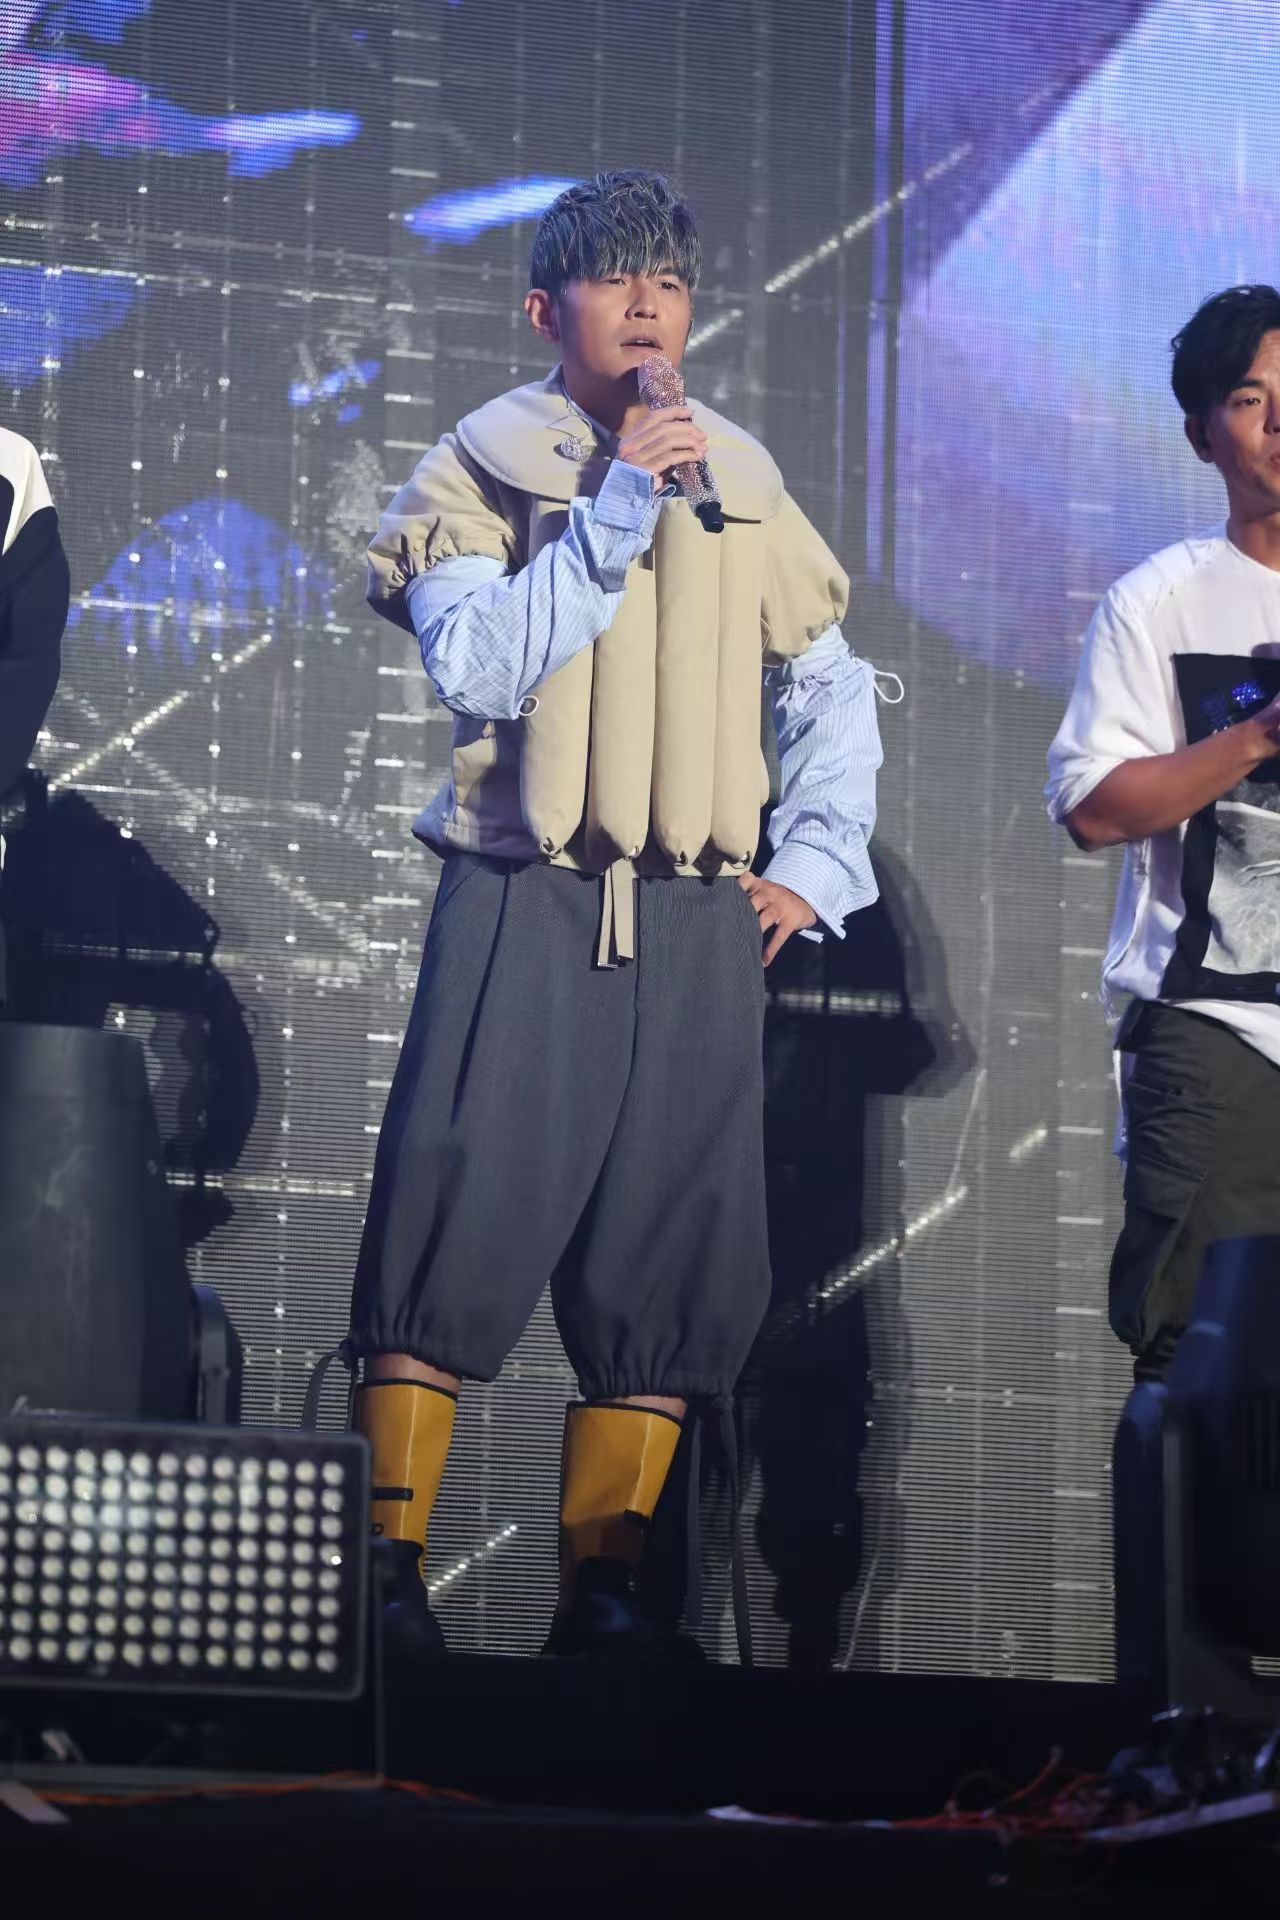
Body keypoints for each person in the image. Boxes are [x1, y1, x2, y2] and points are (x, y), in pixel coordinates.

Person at [347, 170, 883, 1657]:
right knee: (455, 1204)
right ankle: (385, 1577)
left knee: (670, 1245)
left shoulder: (743, 480)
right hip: (525, 893)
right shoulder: (479, 465)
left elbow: (828, 682)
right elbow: (480, 665)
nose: (648, 306)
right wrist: (615, 506)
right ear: (546, 306)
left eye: (671, 281)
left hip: (696, 920)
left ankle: (605, 1594)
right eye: (615, 278)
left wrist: (815, 861)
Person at [1047, 283, 1280, 1385]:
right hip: (1215, 1030)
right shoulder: (1159, 603)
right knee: (1198, 1367)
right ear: (1201, 434)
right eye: (1252, 397)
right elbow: (1095, 807)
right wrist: (1256, 736)